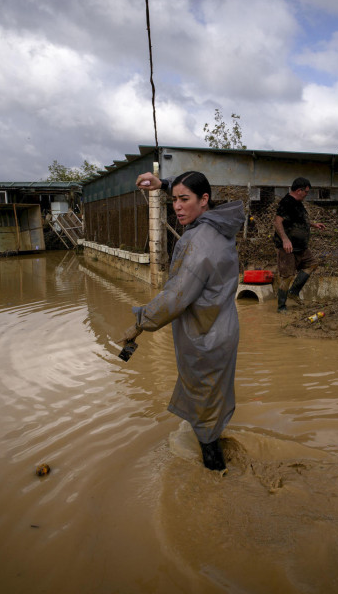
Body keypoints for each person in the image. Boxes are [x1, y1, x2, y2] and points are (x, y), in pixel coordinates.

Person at [117, 170, 245, 473]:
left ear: (204, 200)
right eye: (173, 199)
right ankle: (215, 465)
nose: (176, 206)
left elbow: (175, 297)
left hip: (205, 339)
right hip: (221, 329)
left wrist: (139, 324)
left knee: (204, 419)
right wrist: (163, 184)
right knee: (210, 405)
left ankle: (216, 483)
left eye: (183, 199)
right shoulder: (220, 226)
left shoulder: (198, 242)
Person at [273, 177, 325, 312]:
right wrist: (285, 239)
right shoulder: (287, 202)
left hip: (301, 247)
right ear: (299, 190)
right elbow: (277, 222)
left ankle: (294, 291)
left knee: (312, 264)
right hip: (288, 248)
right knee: (288, 276)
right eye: (306, 192)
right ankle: (281, 307)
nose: (307, 194)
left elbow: (299, 220)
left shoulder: (298, 203)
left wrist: (314, 224)